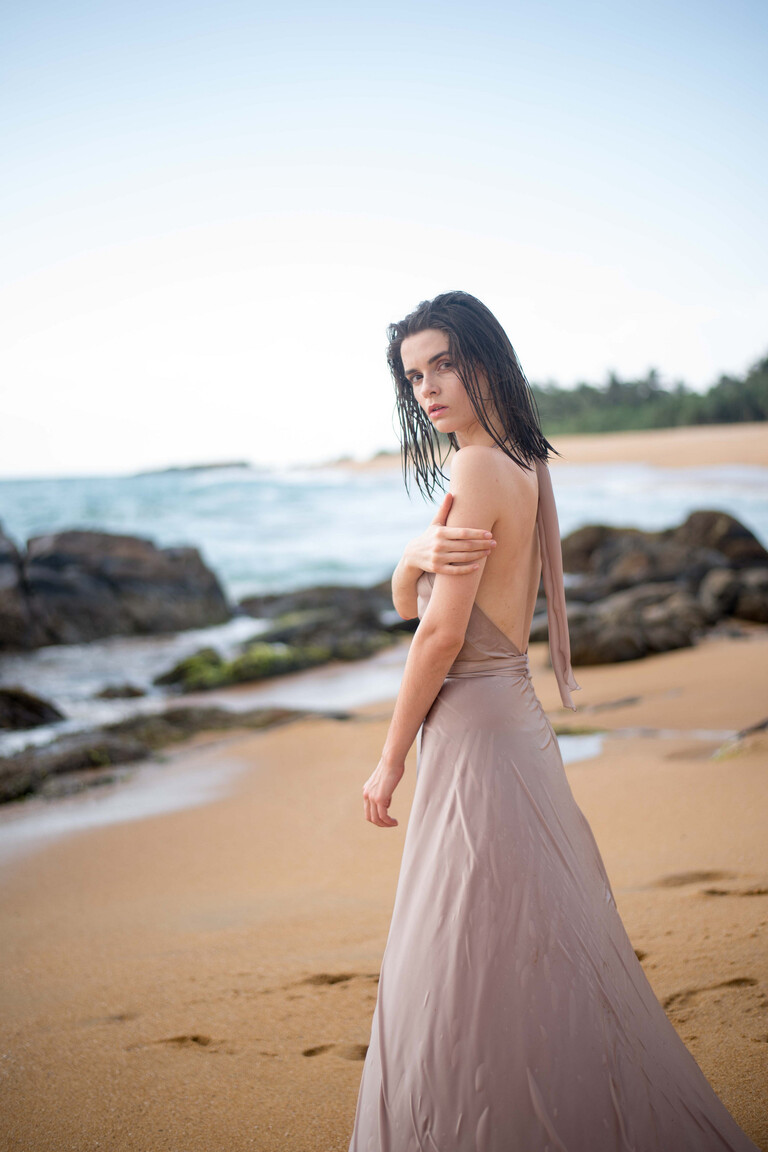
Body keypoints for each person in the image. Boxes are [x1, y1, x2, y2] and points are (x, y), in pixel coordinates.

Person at [348, 291, 757, 1151]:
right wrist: (407, 559)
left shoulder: (472, 468)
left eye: (444, 364)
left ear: (487, 359)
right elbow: (421, 602)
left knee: (459, 950)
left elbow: (440, 635)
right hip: (515, 719)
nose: (428, 387)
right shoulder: (523, 459)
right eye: (413, 375)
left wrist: (389, 760)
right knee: (529, 937)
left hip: (472, 727)